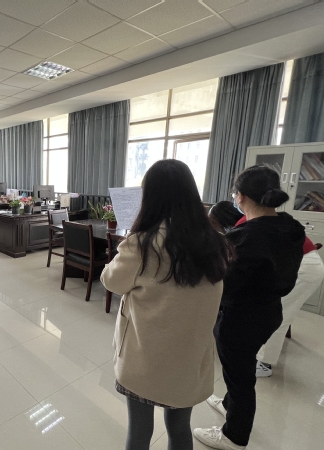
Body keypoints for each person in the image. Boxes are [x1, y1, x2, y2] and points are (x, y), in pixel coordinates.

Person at [101, 159, 232, 450]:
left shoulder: (142, 244)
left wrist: (124, 246)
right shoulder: (215, 242)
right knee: (180, 428)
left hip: (144, 359)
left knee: (139, 430)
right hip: (189, 359)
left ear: (150, 197)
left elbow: (111, 281)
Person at [194, 166, 305, 450]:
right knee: (240, 368)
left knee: (240, 377)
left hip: (240, 319)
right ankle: (229, 405)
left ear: (240, 196)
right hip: (270, 312)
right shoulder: (291, 226)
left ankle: (234, 436)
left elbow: (224, 285)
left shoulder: (246, 237)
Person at [231, 216, 324, 377]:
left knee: (278, 315)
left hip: (303, 268)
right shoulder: (263, 216)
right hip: (300, 263)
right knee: (272, 312)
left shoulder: (246, 223)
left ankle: (264, 364)